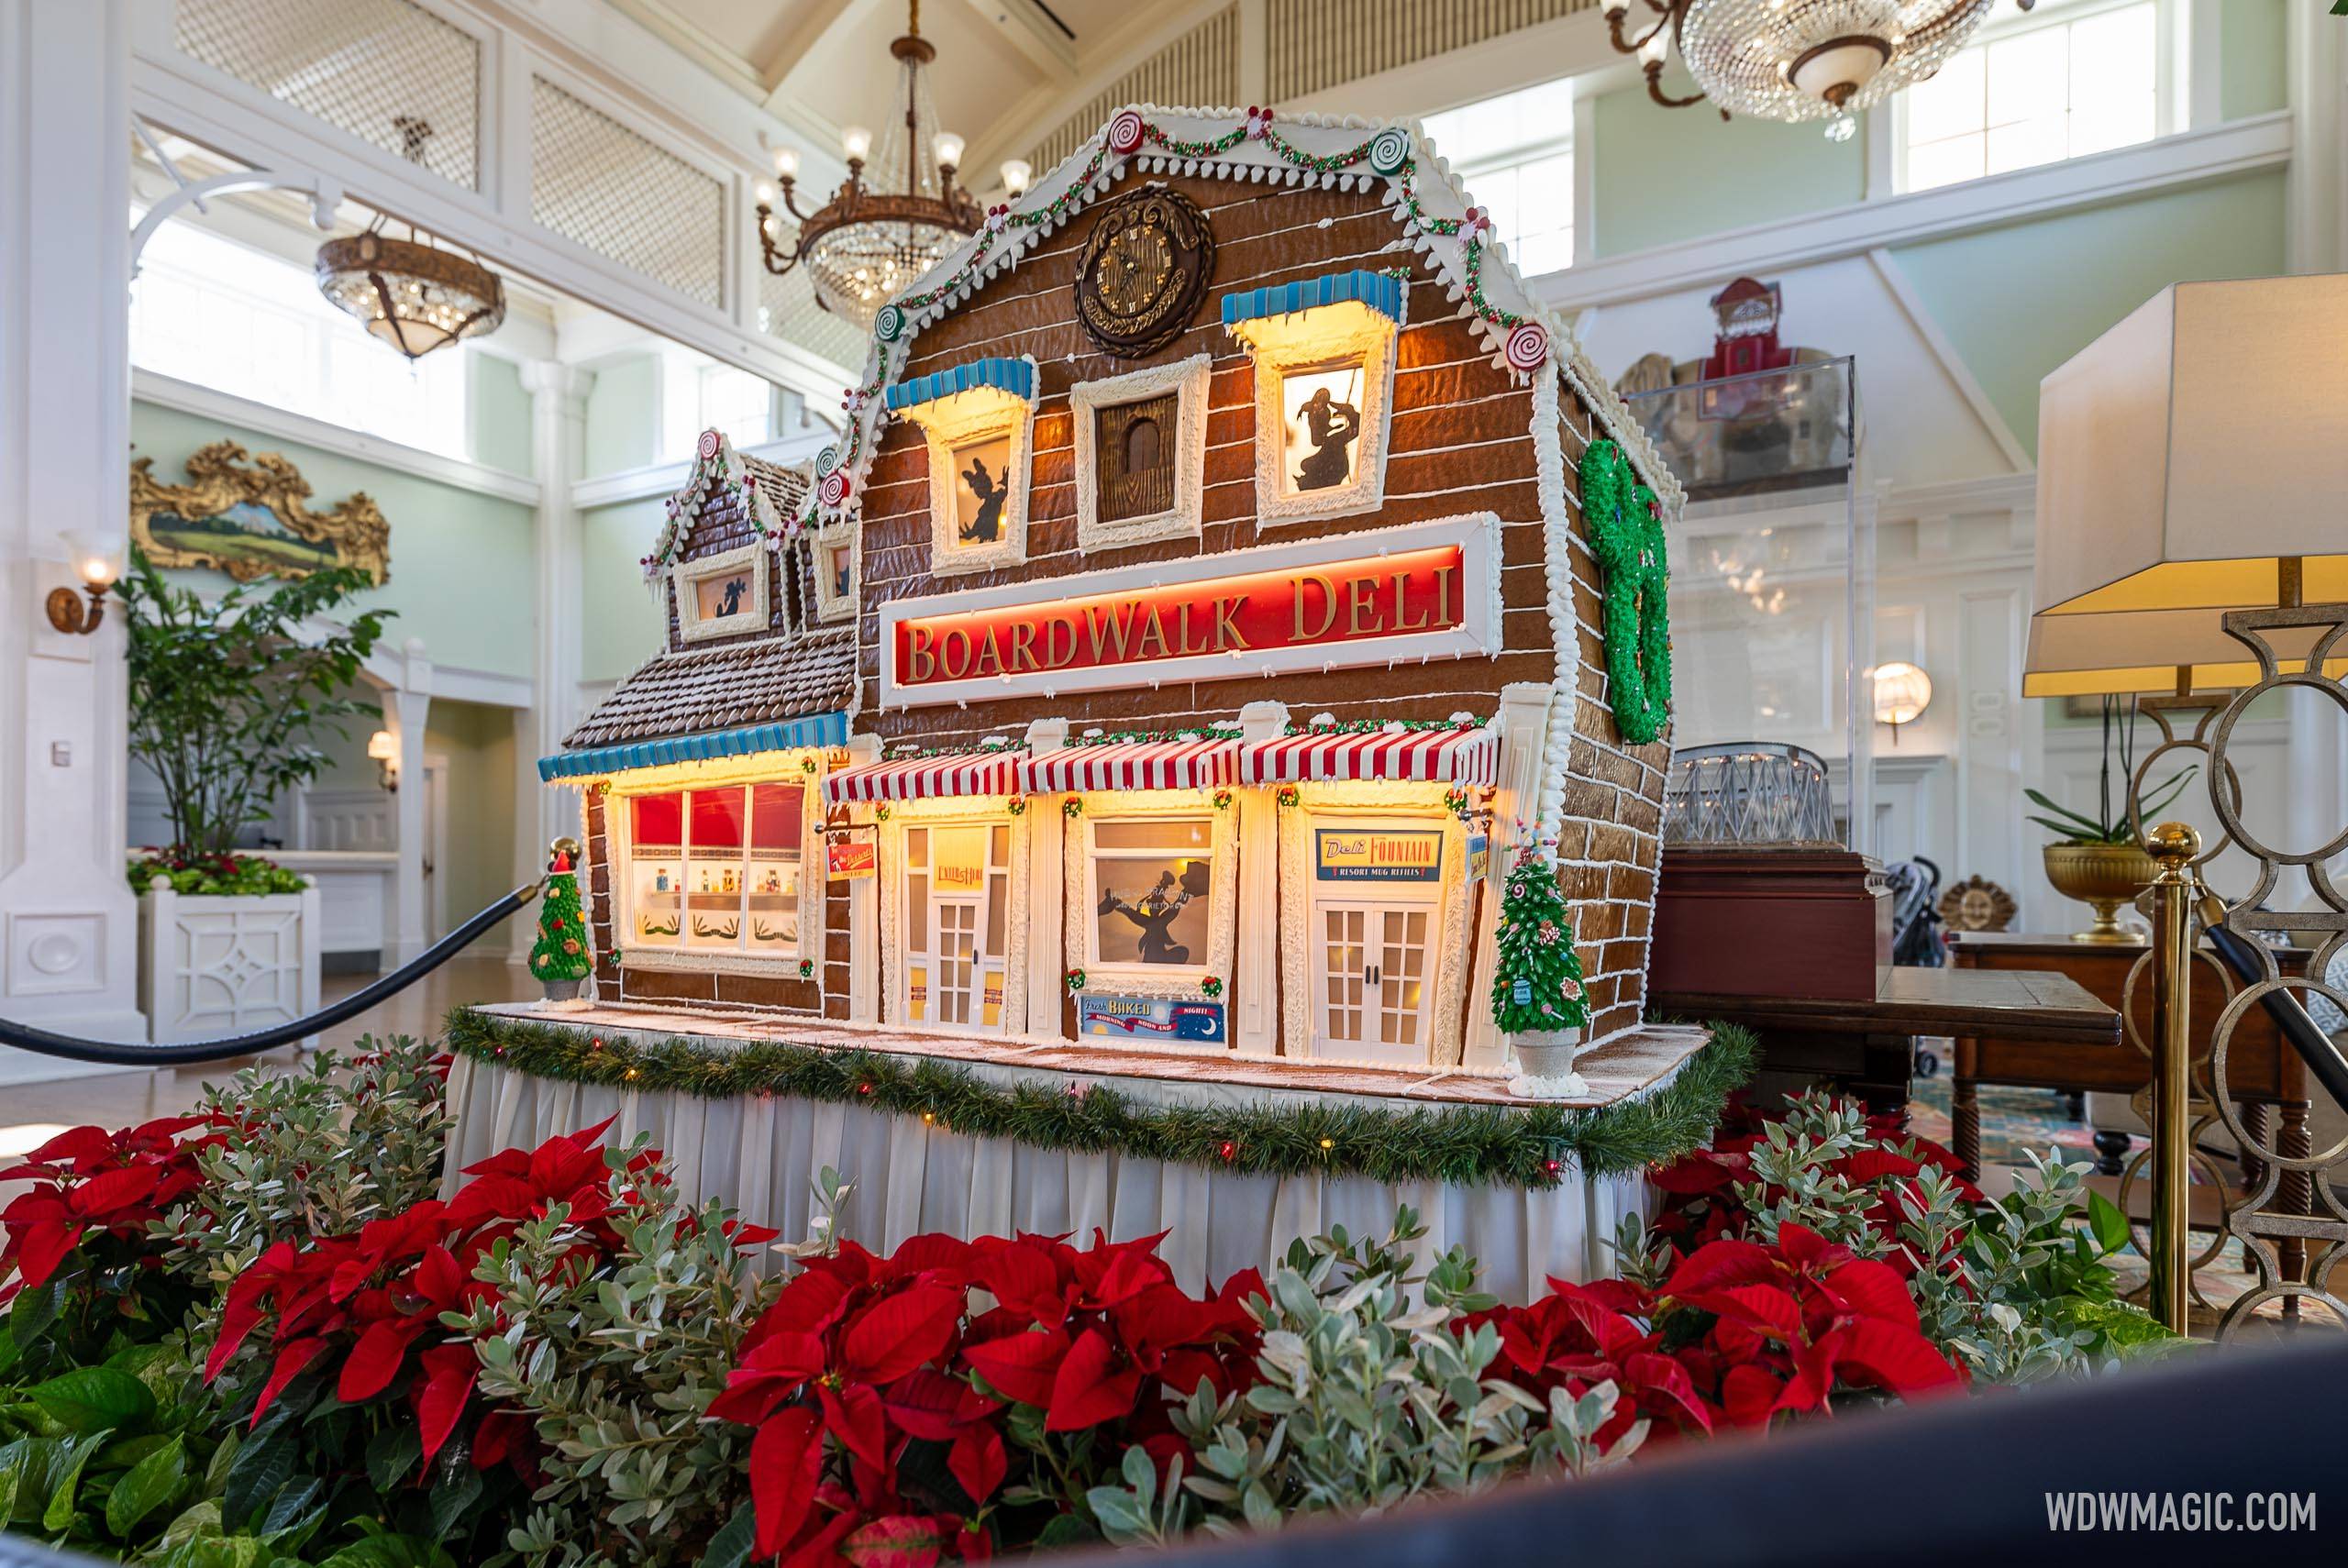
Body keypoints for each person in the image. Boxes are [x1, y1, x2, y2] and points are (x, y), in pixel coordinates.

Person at [1098, 868, 1195, 965]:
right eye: (1151, 903)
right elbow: (1130, 912)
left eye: (1155, 903)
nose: (1151, 907)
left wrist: (1186, 891)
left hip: (1155, 958)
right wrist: (1115, 903)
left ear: (1161, 907)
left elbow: (1176, 906)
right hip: (1150, 959)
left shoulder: (1157, 920)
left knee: (1183, 951)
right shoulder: (1151, 920)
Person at [1292, 385, 1360, 491]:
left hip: (1334, 468)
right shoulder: (1329, 442)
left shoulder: (1332, 442)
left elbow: (1356, 427)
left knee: (1306, 464)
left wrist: (1346, 410)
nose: (1317, 408)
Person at [960, 454, 1006, 543]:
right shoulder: (989, 502)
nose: (977, 492)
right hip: (983, 540)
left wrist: (1008, 484)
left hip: (992, 540)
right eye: (977, 489)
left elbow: (1007, 492)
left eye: (979, 488)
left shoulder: (995, 497)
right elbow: (980, 522)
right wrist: (972, 533)